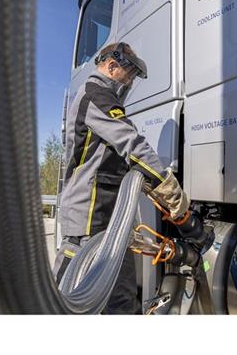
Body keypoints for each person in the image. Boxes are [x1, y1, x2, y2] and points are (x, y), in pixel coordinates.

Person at [53, 41, 186, 314]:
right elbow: (132, 144)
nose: (129, 83)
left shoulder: (102, 97)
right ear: (111, 66)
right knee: (67, 299)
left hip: (111, 218)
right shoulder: (96, 95)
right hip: (89, 216)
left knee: (122, 297)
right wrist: (170, 189)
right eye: (129, 77)